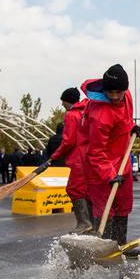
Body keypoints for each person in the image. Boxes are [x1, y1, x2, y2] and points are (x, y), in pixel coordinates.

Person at [78, 64, 140, 258]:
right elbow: (96, 152)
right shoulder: (100, 115)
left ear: (125, 90)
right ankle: (104, 249)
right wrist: (109, 174)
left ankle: (121, 246)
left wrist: (132, 128)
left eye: (118, 92)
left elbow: (124, 119)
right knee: (105, 207)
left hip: (122, 160)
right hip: (99, 166)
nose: (114, 96)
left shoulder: (127, 96)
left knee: (123, 204)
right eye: (110, 92)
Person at [48, 87, 93, 234]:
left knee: (73, 189)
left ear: (68, 101)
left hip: (78, 157)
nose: (62, 105)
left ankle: (84, 223)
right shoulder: (86, 111)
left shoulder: (71, 115)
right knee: (87, 191)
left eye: (63, 102)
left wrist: (54, 156)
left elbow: (68, 141)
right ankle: (92, 223)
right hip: (89, 157)